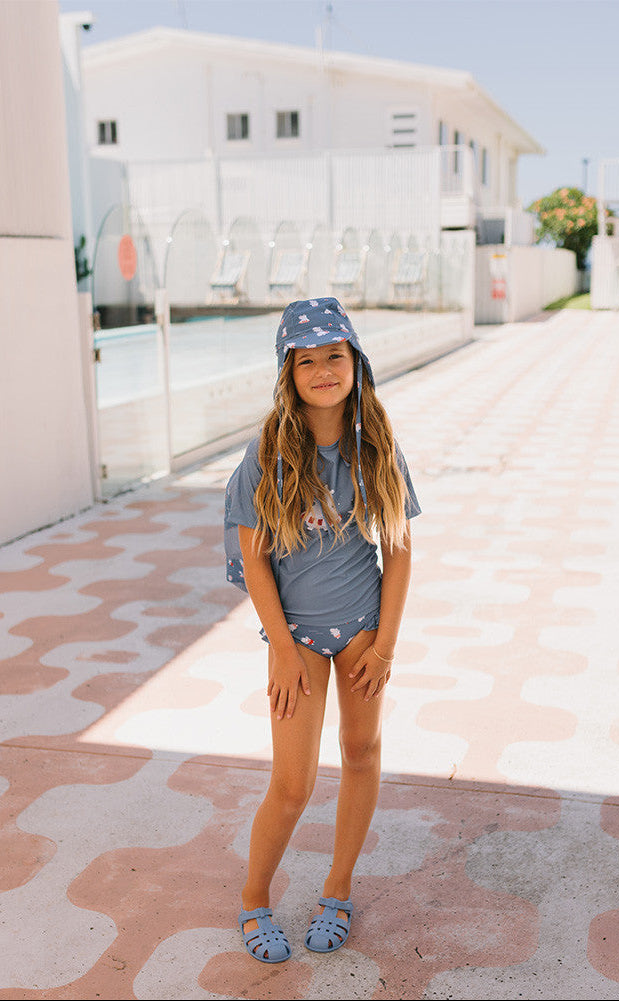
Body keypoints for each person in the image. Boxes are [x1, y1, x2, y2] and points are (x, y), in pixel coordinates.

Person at [224, 296, 420, 963]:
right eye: (306, 361)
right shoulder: (268, 451)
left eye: (334, 355)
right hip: (298, 640)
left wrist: (385, 646)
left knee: (361, 751)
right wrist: (280, 647)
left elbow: (398, 550)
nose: (323, 370)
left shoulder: (377, 446)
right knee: (293, 784)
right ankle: (254, 897)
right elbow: (253, 556)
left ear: (355, 361)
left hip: (363, 629)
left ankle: (337, 888)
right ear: (289, 373)